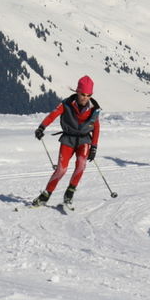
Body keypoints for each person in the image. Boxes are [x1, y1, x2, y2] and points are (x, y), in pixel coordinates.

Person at [32, 75, 101, 206]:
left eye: (88, 95)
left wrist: (94, 146)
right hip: (68, 139)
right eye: (82, 94)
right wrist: (41, 127)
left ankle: (70, 192)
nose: (85, 98)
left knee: (81, 164)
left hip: (84, 140)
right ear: (77, 92)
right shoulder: (66, 104)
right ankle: (46, 194)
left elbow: (96, 128)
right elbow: (52, 115)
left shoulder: (94, 109)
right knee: (61, 169)